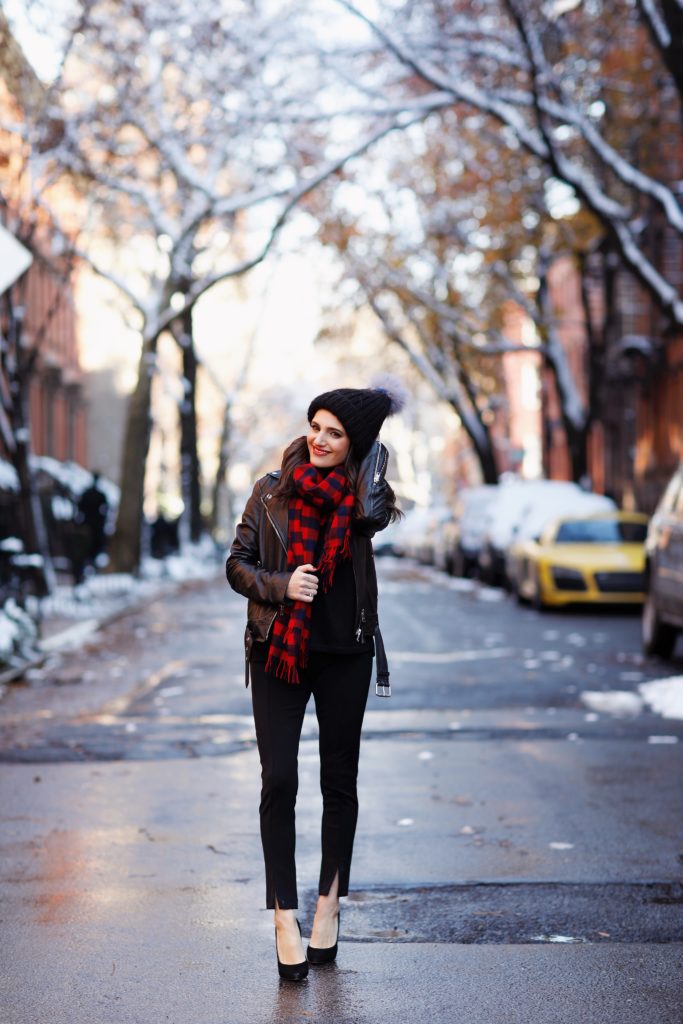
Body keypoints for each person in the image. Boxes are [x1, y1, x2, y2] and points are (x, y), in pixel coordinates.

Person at [226, 382, 404, 982]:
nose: (320, 439)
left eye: (335, 432)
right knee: (278, 779)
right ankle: (284, 915)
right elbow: (236, 564)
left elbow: (378, 511)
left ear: (353, 442)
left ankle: (329, 903)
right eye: (315, 426)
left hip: (344, 652)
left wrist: (371, 460)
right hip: (280, 649)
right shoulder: (270, 491)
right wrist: (281, 586)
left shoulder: (362, 497)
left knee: (339, 780)